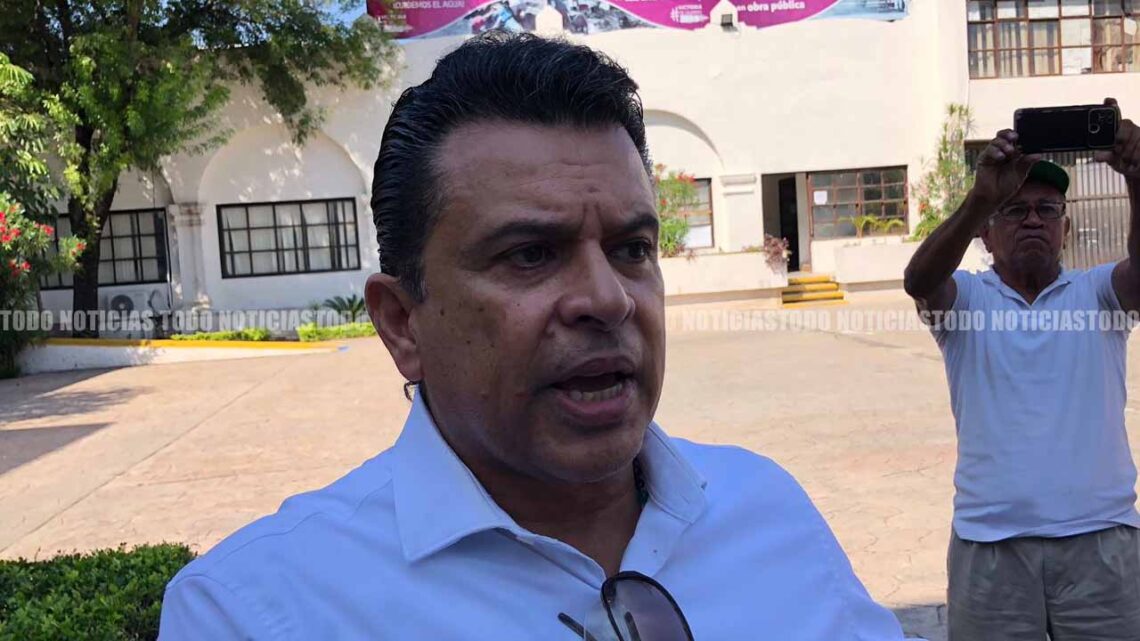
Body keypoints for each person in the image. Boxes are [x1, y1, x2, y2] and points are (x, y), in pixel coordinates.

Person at [159, 32, 905, 640]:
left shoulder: (766, 512)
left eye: (632, 248)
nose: (607, 299)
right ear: (402, 323)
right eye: (529, 255)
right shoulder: (255, 610)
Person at [904, 100, 1140, 640]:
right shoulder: (966, 301)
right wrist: (981, 197)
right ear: (986, 234)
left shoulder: (1098, 293)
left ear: (1066, 229)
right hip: (991, 549)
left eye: (1048, 210)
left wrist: (1136, 179)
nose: (1033, 219)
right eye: (1014, 210)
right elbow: (919, 281)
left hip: (1101, 544)